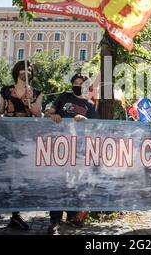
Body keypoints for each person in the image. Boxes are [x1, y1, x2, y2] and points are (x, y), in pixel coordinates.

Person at [0, 60, 43, 231]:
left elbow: (37, 113)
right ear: (17, 71)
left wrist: (31, 98)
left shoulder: (37, 92)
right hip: (5, 138)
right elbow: (1, 110)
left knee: (19, 177)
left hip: (24, 139)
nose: (28, 70)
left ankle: (15, 216)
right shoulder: (6, 90)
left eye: (30, 68)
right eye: (25, 68)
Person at [45, 73, 99, 235]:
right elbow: (49, 111)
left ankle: (72, 215)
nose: (77, 85)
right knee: (59, 182)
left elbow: (96, 126)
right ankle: (54, 220)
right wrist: (52, 114)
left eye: (80, 83)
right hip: (60, 147)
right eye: (75, 83)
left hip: (78, 149)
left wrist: (84, 119)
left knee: (74, 181)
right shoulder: (64, 97)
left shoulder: (89, 104)